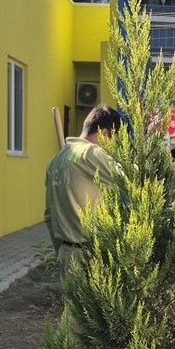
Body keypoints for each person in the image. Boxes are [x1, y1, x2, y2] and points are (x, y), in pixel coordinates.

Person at [43, 104, 124, 275]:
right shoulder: (90, 153)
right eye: (115, 141)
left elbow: (49, 215)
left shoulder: (56, 160)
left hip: (67, 254)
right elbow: (132, 178)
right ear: (104, 134)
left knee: (72, 302)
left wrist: (63, 250)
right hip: (89, 255)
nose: (113, 149)